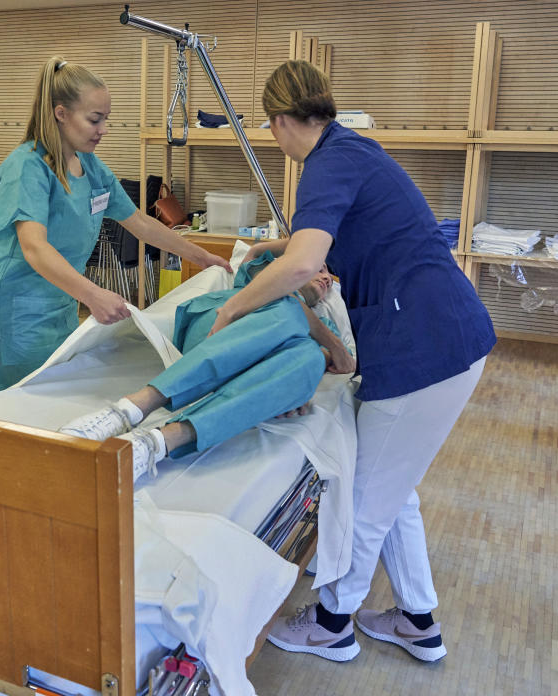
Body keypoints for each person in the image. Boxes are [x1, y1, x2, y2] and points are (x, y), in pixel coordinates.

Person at [207, 61, 496, 663]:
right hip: (447, 334)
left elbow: (308, 265)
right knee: (395, 488)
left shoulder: (325, 164)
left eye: (270, 127)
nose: (274, 138)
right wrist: (275, 245)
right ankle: (418, 619)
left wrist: (232, 308)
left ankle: (334, 622)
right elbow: (335, 233)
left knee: (363, 498)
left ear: (281, 120)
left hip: (426, 348)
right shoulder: (352, 150)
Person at [0, 56, 231, 390]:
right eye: (95, 119)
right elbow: (34, 248)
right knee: (27, 411)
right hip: (18, 316)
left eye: (106, 119)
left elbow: (141, 223)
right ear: (61, 113)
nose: (104, 130)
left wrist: (201, 257)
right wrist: (94, 294)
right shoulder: (27, 168)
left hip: (62, 306)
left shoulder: (90, 167)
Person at [58, 253, 355, 481]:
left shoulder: (324, 325)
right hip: (219, 327)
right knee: (289, 311)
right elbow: (266, 256)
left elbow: (331, 360)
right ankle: (130, 409)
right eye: (320, 268)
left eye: (330, 277)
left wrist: (294, 387)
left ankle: (157, 442)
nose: (326, 277)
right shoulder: (258, 279)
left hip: (262, 365)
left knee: (310, 359)